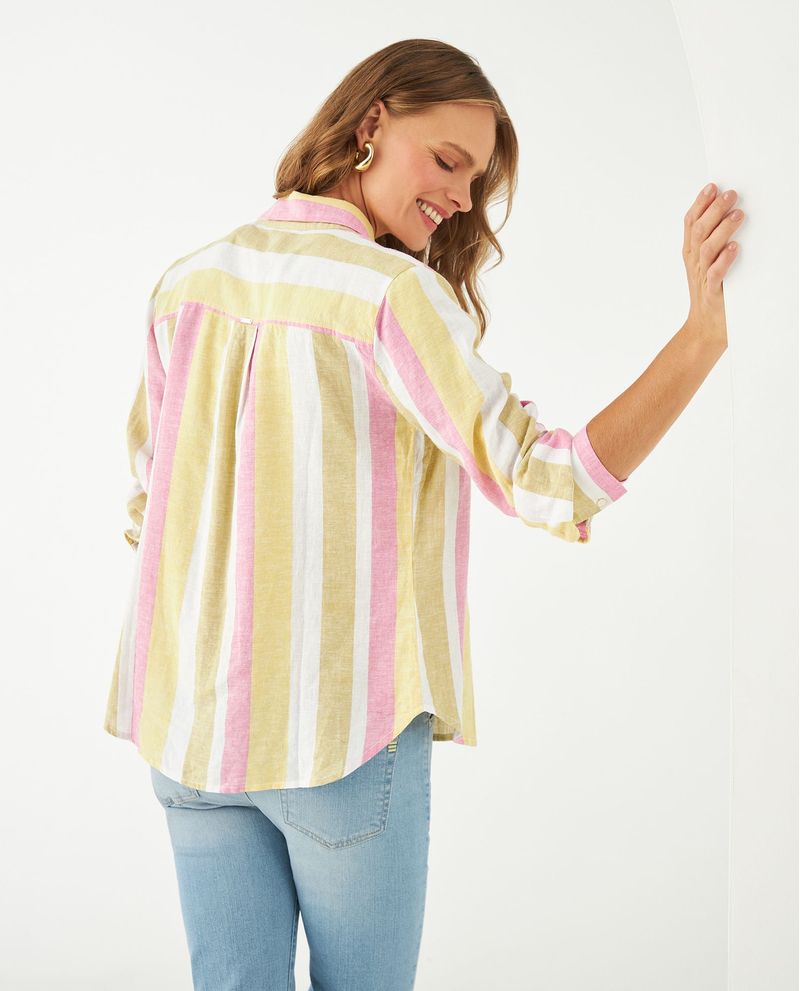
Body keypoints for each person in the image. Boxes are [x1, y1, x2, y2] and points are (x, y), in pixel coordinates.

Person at [103, 37, 741, 991]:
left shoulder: (187, 282)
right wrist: (700, 338)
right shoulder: (391, 295)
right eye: (447, 160)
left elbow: (147, 500)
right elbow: (546, 478)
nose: (460, 197)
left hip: (189, 733)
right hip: (339, 737)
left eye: (475, 181)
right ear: (371, 122)